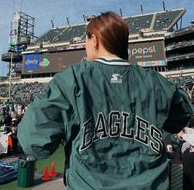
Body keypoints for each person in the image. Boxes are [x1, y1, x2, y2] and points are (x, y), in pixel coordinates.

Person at [18, 12, 193, 190]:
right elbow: (183, 114)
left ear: (94, 40)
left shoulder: (72, 79)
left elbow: (33, 143)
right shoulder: (155, 80)